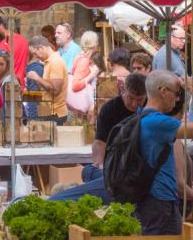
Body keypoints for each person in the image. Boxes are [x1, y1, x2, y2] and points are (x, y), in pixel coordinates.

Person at [50, 73, 147, 203]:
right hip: (114, 166)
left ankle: (65, 193)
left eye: (139, 100)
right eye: (131, 98)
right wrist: (100, 164)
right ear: (124, 89)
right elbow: (100, 142)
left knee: (89, 174)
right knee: (90, 171)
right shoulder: (110, 109)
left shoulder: (148, 109)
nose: (135, 104)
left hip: (137, 169)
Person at [135, 70, 190, 235]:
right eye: (177, 92)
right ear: (163, 91)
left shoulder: (143, 116)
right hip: (159, 201)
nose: (178, 98)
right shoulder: (157, 122)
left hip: (157, 199)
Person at [27, 35, 68, 124]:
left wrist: (37, 78)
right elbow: (47, 88)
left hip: (55, 114)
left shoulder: (56, 62)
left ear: (41, 48)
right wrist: (37, 82)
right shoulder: (48, 62)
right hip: (49, 112)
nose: (36, 57)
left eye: (35, 53)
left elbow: (55, 90)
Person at [67, 30, 100, 120]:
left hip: (82, 108)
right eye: (97, 41)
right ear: (95, 44)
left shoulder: (82, 57)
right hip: (85, 106)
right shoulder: (84, 60)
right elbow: (75, 86)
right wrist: (92, 74)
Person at [0, 16, 29, 87]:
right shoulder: (25, 41)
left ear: (1, 26)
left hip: (7, 85)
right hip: (21, 83)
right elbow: (27, 62)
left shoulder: (2, 44)